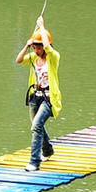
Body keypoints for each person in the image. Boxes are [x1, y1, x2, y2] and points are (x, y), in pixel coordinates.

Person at [15, 16, 61, 171]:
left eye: (38, 47)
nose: (36, 50)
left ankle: (34, 162)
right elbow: (19, 60)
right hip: (35, 96)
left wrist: (41, 26)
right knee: (37, 125)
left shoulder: (53, 57)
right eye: (34, 47)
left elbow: (48, 48)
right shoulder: (33, 57)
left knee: (36, 126)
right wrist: (26, 45)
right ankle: (47, 150)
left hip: (49, 98)